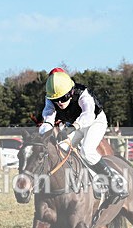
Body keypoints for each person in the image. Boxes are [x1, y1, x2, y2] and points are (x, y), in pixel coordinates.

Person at [39, 67, 127, 202]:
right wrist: (44, 134)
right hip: (74, 125)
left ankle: (115, 182)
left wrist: (72, 128)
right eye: (56, 99)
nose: (60, 103)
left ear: (71, 91)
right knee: (61, 148)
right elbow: (48, 118)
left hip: (95, 121)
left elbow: (88, 115)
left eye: (63, 98)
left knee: (87, 150)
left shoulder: (82, 93)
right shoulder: (51, 99)